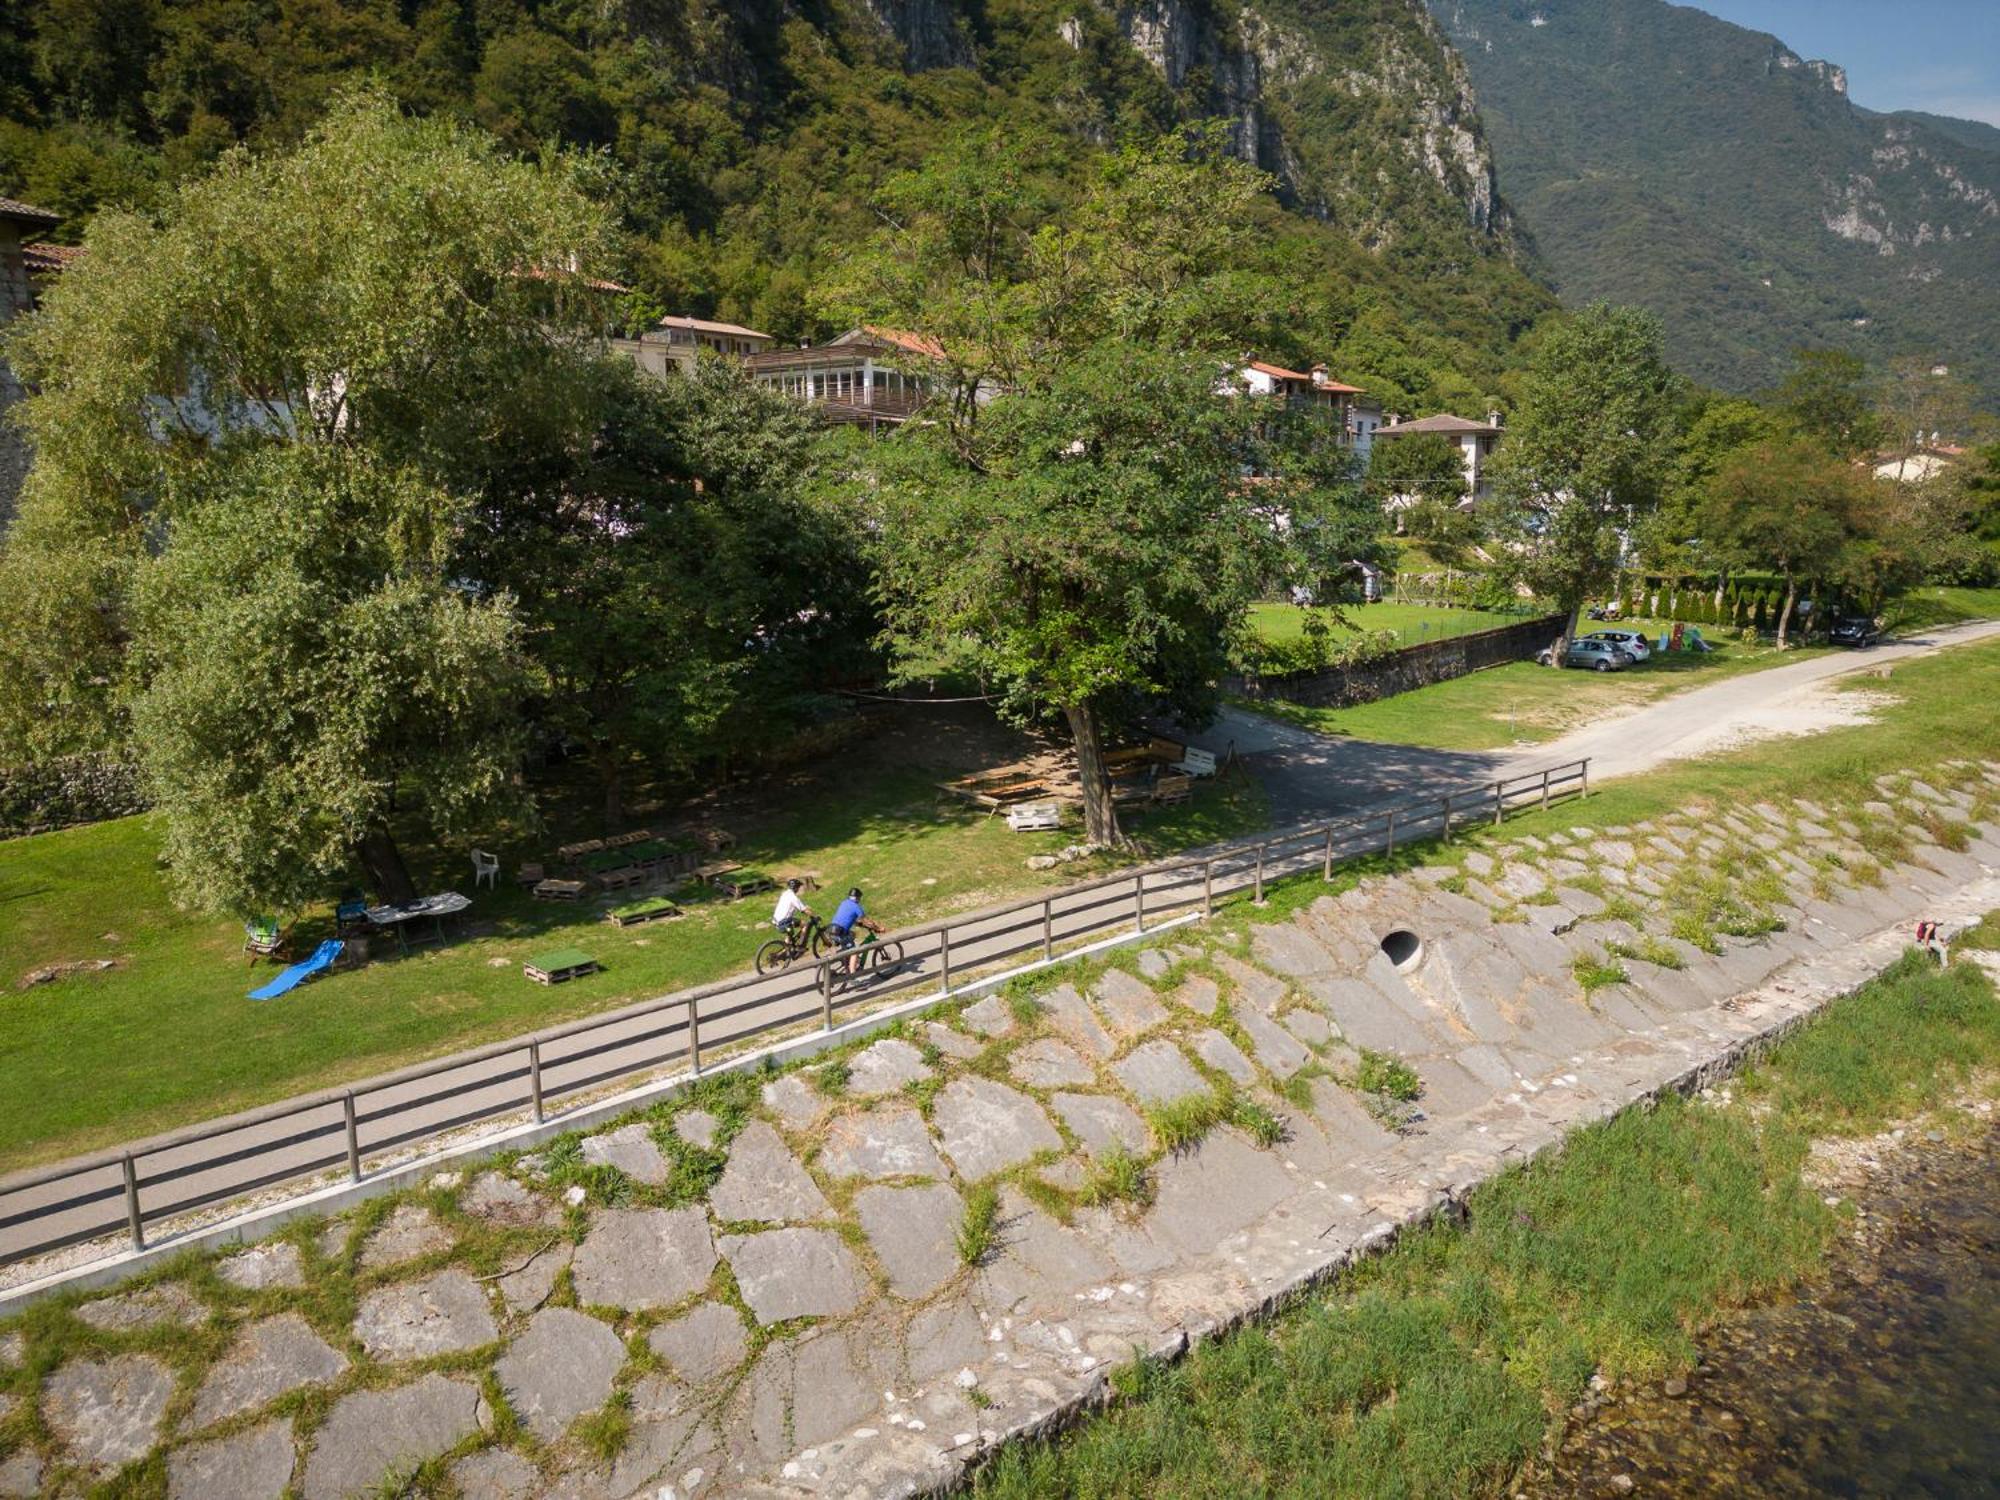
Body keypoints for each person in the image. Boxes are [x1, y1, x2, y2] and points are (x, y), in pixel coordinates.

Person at [828, 886, 884, 970]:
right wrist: (878, 928)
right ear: (858, 898)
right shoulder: (856, 907)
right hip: (839, 932)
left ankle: (848, 962)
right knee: (855, 951)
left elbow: (851, 920)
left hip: (831, 930)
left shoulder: (844, 903)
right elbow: (866, 921)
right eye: (860, 898)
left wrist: (861, 925)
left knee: (852, 935)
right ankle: (852, 976)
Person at [772, 879, 812, 943]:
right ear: (795, 887)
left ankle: (787, 947)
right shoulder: (793, 897)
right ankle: (801, 945)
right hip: (783, 922)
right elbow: (803, 910)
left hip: (776, 920)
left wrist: (805, 907)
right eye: (798, 887)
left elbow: (800, 905)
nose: (799, 889)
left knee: (789, 934)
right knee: (805, 924)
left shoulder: (785, 893)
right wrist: (813, 915)